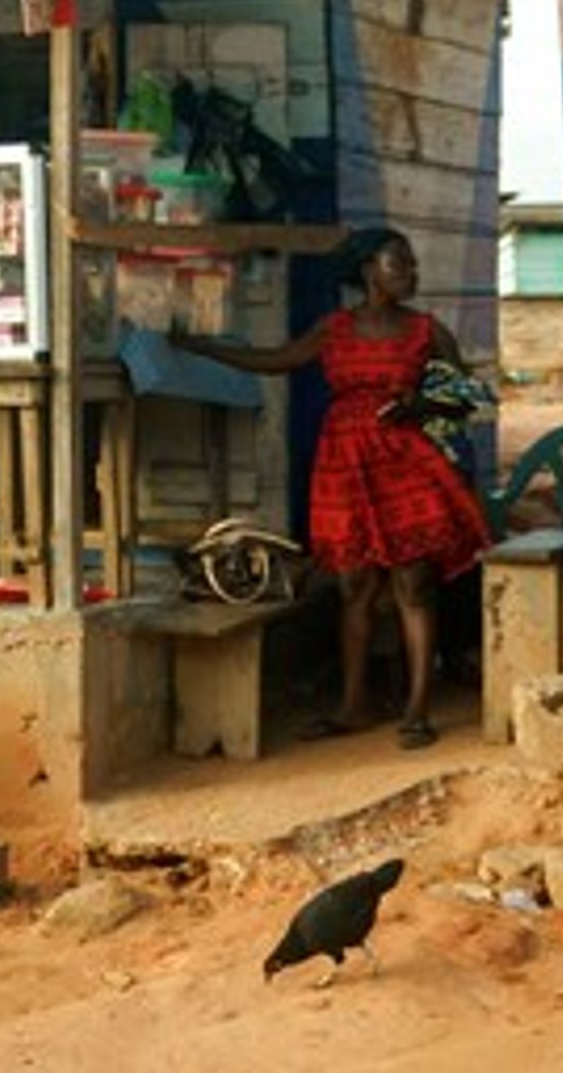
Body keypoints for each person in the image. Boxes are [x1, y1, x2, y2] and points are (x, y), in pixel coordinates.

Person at [173, 227, 490, 749]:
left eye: (411, 265)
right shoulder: (335, 328)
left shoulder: (427, 331)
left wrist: (420, 405)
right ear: (369, 271)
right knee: (354, 588)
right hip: (344, 465)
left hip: (403, 463)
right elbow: (277, 360)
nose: (411, 274)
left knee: (413, 586)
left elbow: (464, 396)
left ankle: (417, 708)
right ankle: (353, 705)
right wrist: (202, 349)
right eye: (400, 265)